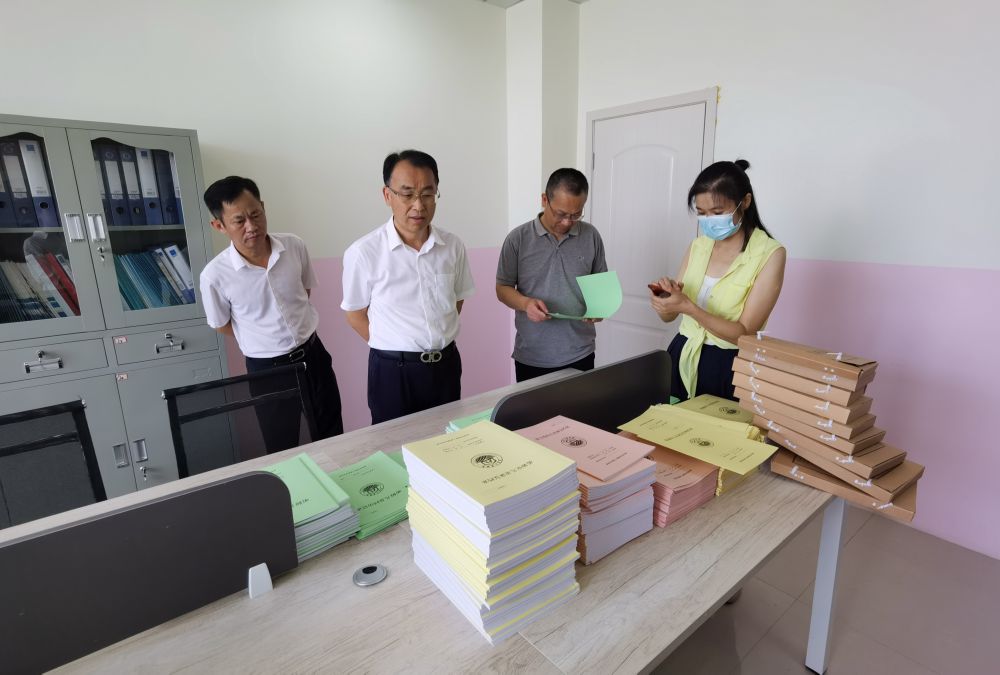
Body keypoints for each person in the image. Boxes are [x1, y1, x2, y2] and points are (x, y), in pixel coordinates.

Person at [200, 176, 343, 452]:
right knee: (282, 447)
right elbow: (222, 324)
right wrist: (262, 336)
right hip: (267, 371)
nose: (251, 226)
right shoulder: (215, 276)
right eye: (239, 220)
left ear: (263, 207)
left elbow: (303, 292)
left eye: (256, 214)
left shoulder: (294, 246)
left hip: (313, 356)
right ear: (219, 225)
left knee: (333, 436)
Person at [341, 150, 475, 424]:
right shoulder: (364, 252)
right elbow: (355, 315)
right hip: (393, 373)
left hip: (446, 366)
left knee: (447, 441)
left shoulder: (452, 246)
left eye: (427, 194)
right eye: (407, 194)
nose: (418, 205)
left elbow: (455, 301)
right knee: (393, 445)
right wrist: (394, 345)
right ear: (387, 195)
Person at [650, 160, 785, 401]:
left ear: (745, 202)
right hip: (681, 356)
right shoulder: (697, 246)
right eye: (701, 213)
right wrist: (665, 302)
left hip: (729, 367)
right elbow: (670, 316)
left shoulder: (770, 254)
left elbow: (744, 333)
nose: (709, 220)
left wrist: (688, 306)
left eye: (717, 212)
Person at [496, 168, 607, 382]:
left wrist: (600, 309)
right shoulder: (517, 239)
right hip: (532, 356)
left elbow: (601, 287)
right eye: (561, 214)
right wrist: (526, 304)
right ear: (544, 200)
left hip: (580, 353)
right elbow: (502, 289)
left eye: (576, 215)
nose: (567, 222)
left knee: (582, 406)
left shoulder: (591, 236)